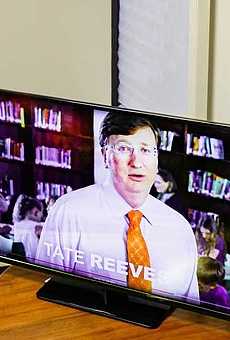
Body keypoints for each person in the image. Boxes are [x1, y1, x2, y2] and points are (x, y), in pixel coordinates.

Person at [35, 111, 200, 303]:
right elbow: (47, 293)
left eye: (146, 150)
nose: (136, 162)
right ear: (105, 155)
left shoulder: (179, 228)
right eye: (123, 148)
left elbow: (190, 309)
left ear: (157, 160)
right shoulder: (69, 211)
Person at [11, 195, 44, 259]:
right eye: (41, 212)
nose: (42, 216)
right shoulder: (38, 227)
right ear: (35, 212)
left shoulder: (17, 225)